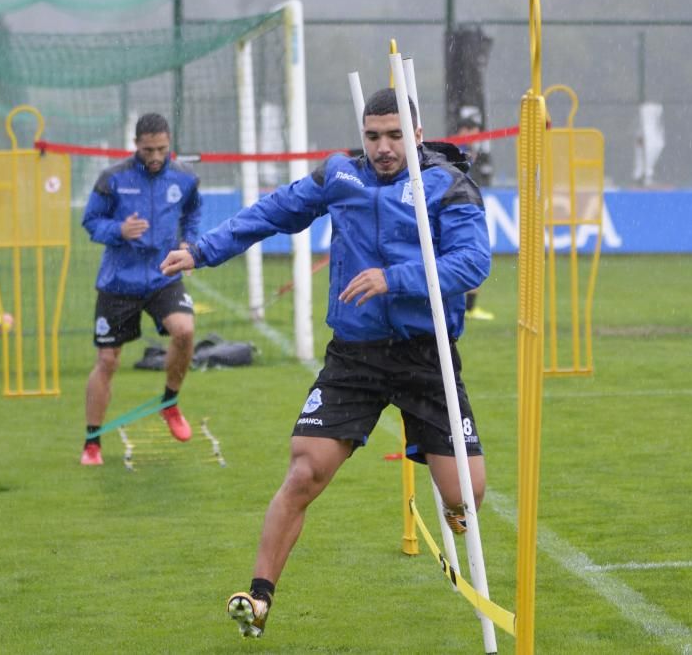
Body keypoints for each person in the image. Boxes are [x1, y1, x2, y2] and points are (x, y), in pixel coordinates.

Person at [160, 88, 491, 639]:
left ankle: (456, 507)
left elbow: (473, 261)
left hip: (425, 356)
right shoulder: (341, 176)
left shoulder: (448, 183)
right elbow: (271, 212)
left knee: (466, 496)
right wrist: (203, 249)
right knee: (304, 471)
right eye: (373, 136)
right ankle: (259, 598)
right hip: (355, 358)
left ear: (416, 131)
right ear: (362, 135)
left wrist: (395, 279)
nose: (383, 148)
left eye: (394, 135)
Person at [80, 113, 202, 466]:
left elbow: (193, 214)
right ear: (136, 145)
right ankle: (92, 442)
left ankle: (169, 402)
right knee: (107, 360)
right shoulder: (113, 179)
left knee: (185, 330)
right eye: (149, 149)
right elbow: (90, 221)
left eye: (162, 149)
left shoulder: (185, 177)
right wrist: (119, 230)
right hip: (120, 281)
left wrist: (189, 243)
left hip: (163, 275)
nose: (155, 156)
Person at [454, 117, 495, 322]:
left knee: (473, 257)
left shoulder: (466, 150)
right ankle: (467, 308)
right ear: (463, 130)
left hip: (462, 206)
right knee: (473, 256)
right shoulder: (459, 150)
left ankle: (468, 308)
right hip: (458, 208)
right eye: (471, 130)